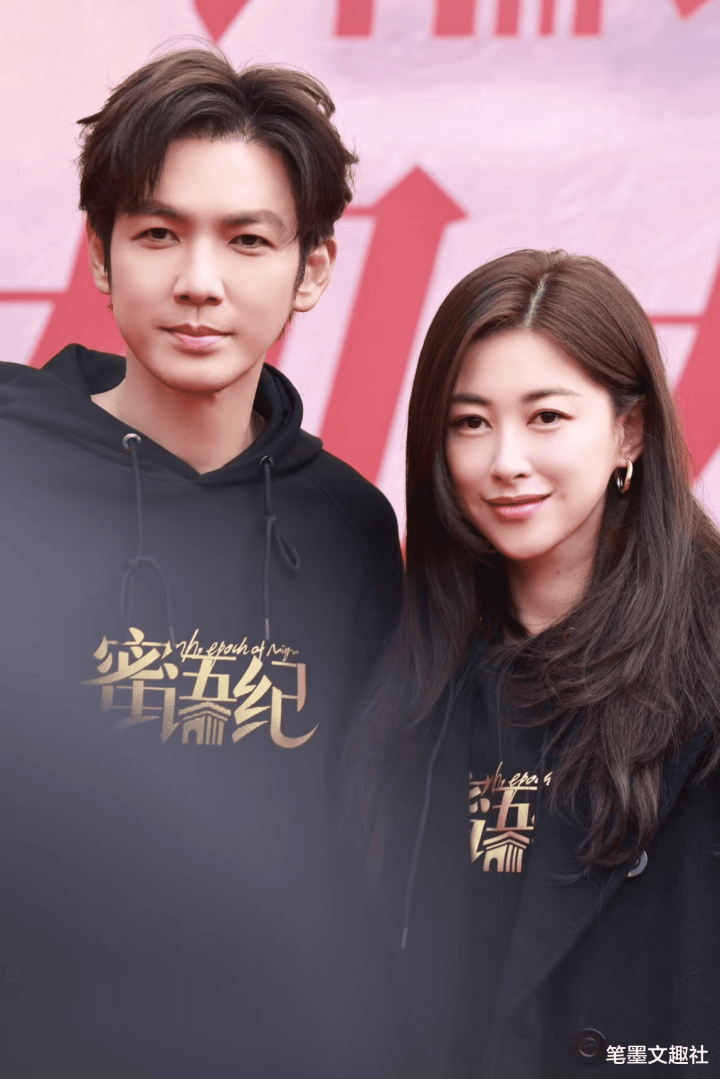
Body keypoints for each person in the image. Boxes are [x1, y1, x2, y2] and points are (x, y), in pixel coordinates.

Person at [0, 48, 403, 1078]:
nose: (198, 282)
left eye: (248, 239)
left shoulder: (350, 529)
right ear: (100, 256)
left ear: (313, 269)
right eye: (158, 233)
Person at [351, 250, 720, 1076]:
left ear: (629, 431)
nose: (505, 461)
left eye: (546, 416)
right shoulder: (419, 666)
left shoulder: (706, 656)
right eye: (470, 422)